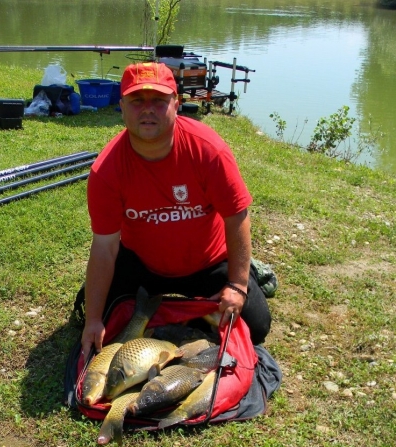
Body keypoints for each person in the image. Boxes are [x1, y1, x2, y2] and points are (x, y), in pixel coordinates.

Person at [80, 62, 271, 359]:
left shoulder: (208, 150)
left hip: (207, 262)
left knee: (256, 326)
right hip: (142, 264)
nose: (148, 109)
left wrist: (237, 284)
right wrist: (93, 319)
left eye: (159, 100)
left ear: (176, 104)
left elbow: (237, 217)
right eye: (137, 100)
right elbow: (105, 247)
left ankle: (219, 293)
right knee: (96, 321)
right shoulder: (106, 171)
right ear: (122, 107)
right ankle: (180, 313)